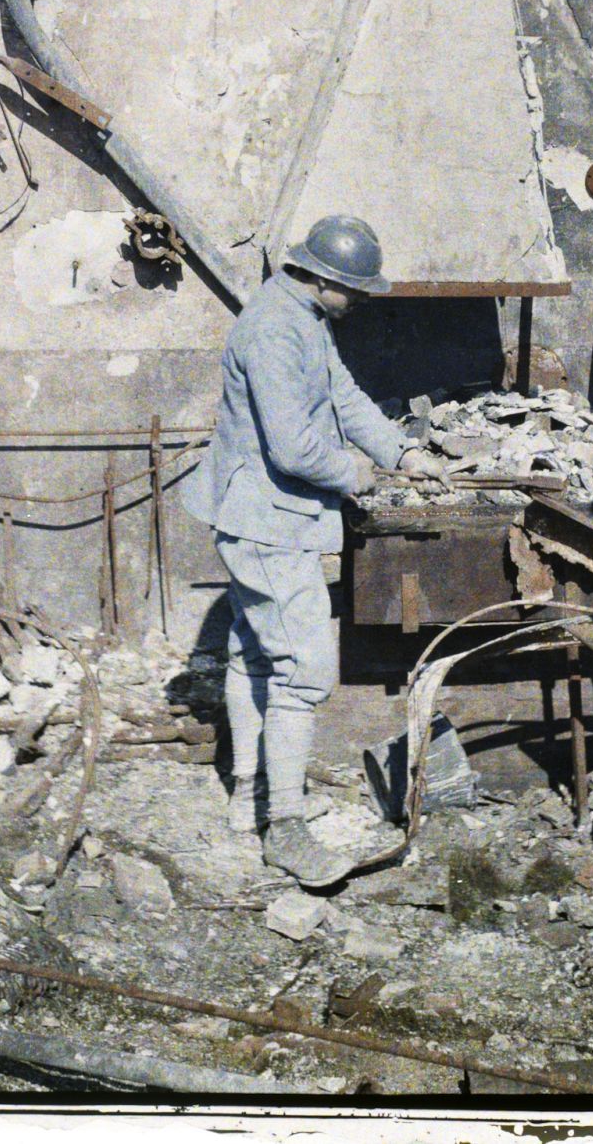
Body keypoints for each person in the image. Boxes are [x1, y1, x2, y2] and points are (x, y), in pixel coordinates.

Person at [181, 214, 447, 888]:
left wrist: (402, 451)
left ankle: (253, 797)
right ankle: (289, 831)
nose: (359, 302)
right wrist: (358, 473)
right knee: (304, 670)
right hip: (268, 521)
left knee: (251, 650)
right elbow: (294, 447)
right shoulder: (273, 328)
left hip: (270, 516)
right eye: (355, 290)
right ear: (324, 278)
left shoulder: (307, 319)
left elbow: (345, 398)